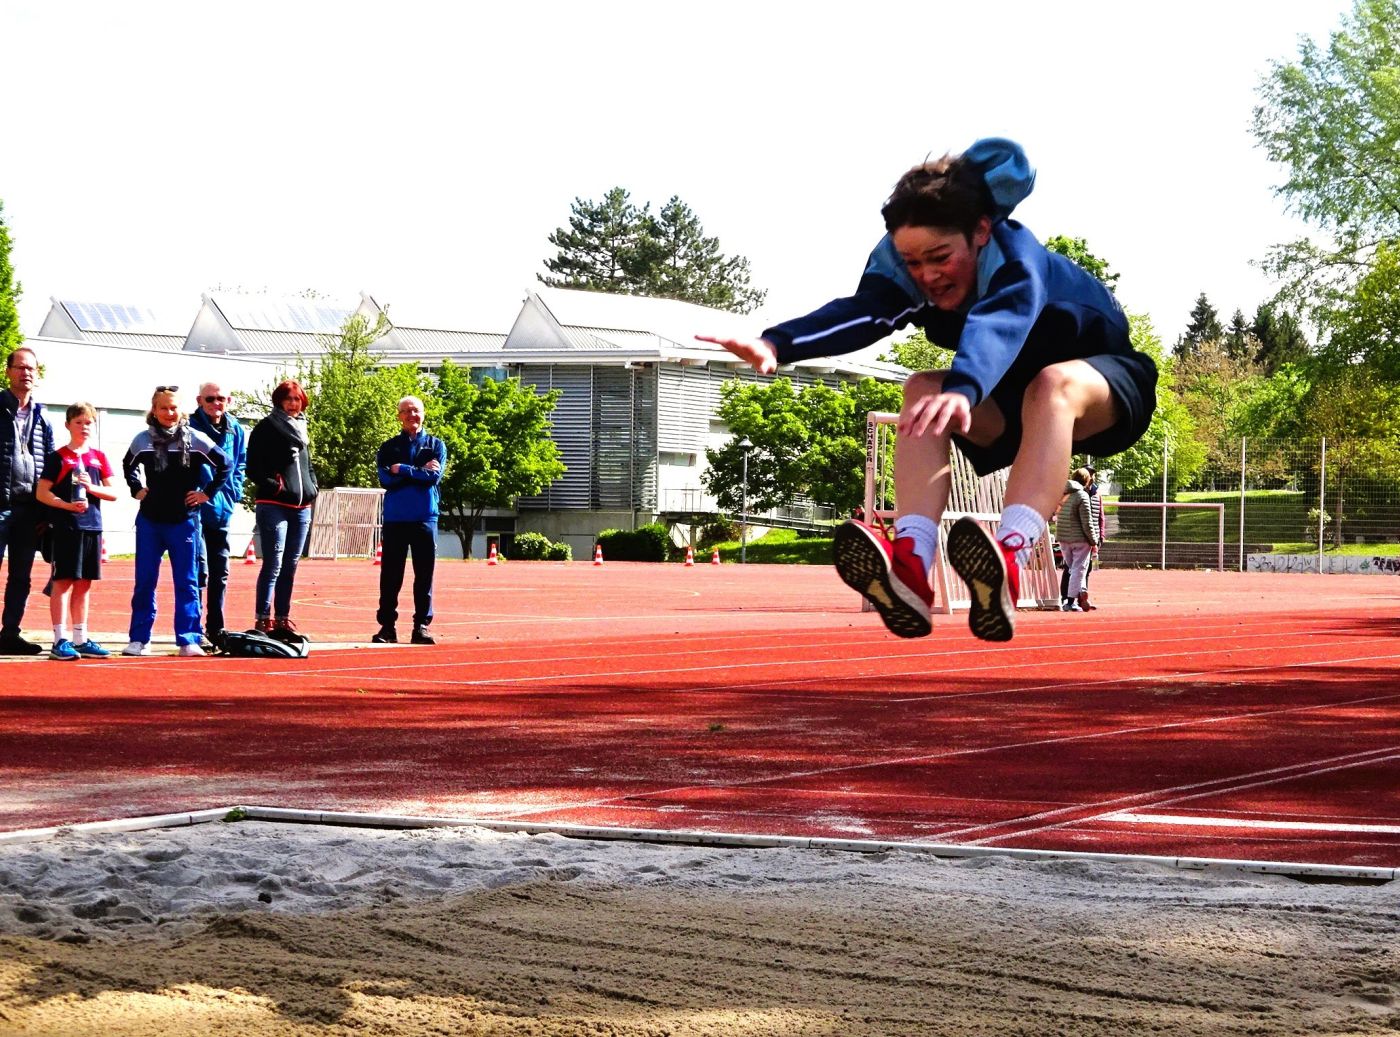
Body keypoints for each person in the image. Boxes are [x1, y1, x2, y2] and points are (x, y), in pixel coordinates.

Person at [699, 138, 1156, 642]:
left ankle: (1009, 556)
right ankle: (912, 563)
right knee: (920, 388)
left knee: (1051, 384)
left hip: (1106, 386)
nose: (928, 276)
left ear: (980, 231)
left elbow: (1000, 323)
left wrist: (965, 387)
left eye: (940, 257)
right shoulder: (908, 270)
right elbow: (863, 313)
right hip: (1008, 400)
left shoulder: (1015, 259)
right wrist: (776, 342)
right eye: (913, 262)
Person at [122, 386, 232, 657]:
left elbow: (226, 464)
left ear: (181, 410)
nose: (169, 413)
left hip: (184, 521)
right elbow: (128, 465)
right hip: (150, 521)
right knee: (145, 581)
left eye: (173, 408)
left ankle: (188, 639)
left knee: (187, 581)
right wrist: (136, 488)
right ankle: (139, 639)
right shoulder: (142, 440)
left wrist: (206, 493)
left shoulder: (196, 439)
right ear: (154, 410)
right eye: (163, 408)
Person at [35, 403, 118, 659]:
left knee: (84, 583)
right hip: (66, 527)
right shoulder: (58, 457)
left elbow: (113, 492)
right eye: (79, 422)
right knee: (62, 582)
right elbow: (42, 492)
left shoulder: (98, 457)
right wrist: (66, 505)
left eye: (88, 422)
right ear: (68, 425)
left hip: (92, 526)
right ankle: (60, 639)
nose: (84, 427)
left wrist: (91, 488)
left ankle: (80, 638)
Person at [246, 379, 318, 642]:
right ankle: (263, 619)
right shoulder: (265, 427)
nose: (293, 404)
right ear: (279, 401)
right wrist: (277, 487)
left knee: (291, 565)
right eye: (288, 399)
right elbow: (252, 468)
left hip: (301, 508)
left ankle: (282, 619)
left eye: (297, 399)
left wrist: (312, 486)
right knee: (273, 563)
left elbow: (308, 466)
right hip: (274, 505)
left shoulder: (303, 428)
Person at [372, 396, 446, 645]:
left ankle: (421, 626)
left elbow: (433, 478)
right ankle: (387, 627)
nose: (412, 415)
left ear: (423, 414)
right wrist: (419, 472)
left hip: (425, 517)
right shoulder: (388, 447)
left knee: (424, 574)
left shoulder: (436, 445)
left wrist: (402, 469)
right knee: (390, 575)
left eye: (416, 410)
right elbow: (386, 480)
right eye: (406, 411)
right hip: (396, 518)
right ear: (399, 416)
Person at [0, 347, 56, 656]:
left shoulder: (43, 415)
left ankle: (10, 633)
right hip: (0, 505)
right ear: (8, 371)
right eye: (20, 367)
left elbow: (51, 464)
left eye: (31, 368)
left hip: (30, 509)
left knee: (20, 577)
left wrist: (47, 510)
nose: (26, 373)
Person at [188, 381, 247, 649]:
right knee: (198, 569)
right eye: (210, 399)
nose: (216, 403)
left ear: (228, 401)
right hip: (196, 508)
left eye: (220, 398)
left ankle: (216, 627)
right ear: (199, 400)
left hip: (223, 506)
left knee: (220, 571)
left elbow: (240, 462)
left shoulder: (235, 428)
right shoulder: (189, 427)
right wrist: (197, 492)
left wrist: (234, 491)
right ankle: (194, 628)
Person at [1056, 468, 1100, 613]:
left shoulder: (1063, 494)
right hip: (1079, 539)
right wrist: (1093, 541)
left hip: (1063, 538)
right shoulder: (1082, 495)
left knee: (1072, 568)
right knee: (1079, 569)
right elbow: (1087, 522)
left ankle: (1080, 593)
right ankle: (1070, 601)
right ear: (1087, 480)